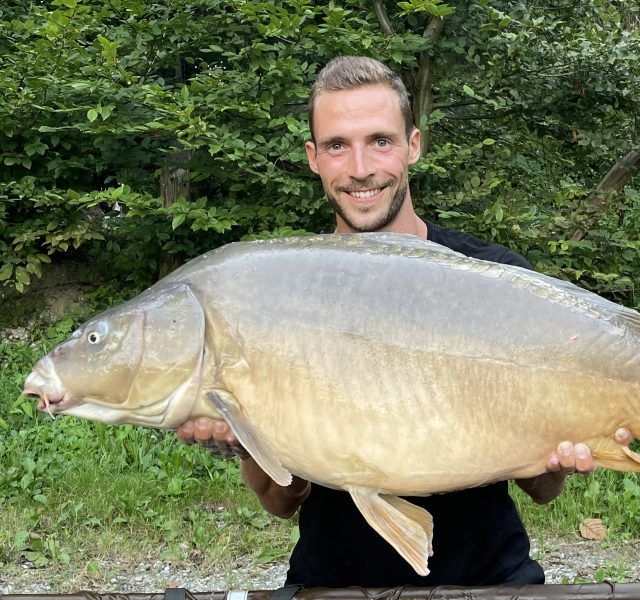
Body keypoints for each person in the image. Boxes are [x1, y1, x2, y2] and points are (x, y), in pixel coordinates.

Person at [177, 56, 599, 588]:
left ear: (413, 145)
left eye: (380, 140)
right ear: (313, 157)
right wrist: (242, 434)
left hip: (491, 580)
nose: (359, 167)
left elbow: (543, 492)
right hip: (331, 583)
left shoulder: (496, 281)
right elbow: (281, 502)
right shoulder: (280, 292)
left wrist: (559, 457)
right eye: (336, 145)